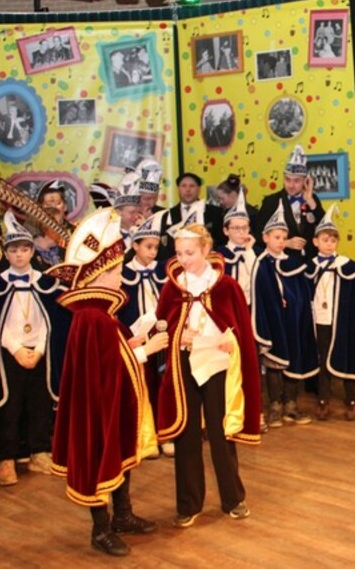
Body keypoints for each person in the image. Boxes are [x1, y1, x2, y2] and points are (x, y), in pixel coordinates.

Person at [48, 207, 167, 557]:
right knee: (98, 459)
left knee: (117, 454)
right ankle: (100, 529)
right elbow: (104, 366)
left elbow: (109, 353)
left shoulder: (101, 313)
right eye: (115, 272)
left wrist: (131, 342)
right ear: (97, 276)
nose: (121, 277)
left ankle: (123, 515)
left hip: (109, 402)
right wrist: (145, 350)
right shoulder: (92, 317)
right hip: (95, 408)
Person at [154, 222, 262, 528]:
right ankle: (189, 503)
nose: (183, 259)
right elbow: (161, 325)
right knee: (186, 434)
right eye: (179, 253)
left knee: (220, 432)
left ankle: (233, 498)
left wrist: (232, 340)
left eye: (189, 253)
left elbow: (240, 328)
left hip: (217, 365)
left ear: (205, 250)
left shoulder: (226, 286)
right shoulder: (173, 288)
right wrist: (178, 335)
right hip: (185, 365)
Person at [0, 211, 69, 486]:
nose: (19, 255)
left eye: (24, 249)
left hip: (39, 352)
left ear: (32, 251)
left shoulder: (47, 284)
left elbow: (50, 323)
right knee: (10, 405)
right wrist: (16, 349)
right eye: (14, 250)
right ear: (6, 253)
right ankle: (7, 458)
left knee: (40, 403)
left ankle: (40, 452)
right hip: (9, 353)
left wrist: (38, 349)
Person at [252, 201, 318, 427]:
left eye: (283, 237)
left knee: (293, 360)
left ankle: (291, 405)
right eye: (276, 237)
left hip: (293, 320)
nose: (280, 241)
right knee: (274, 362)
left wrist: (298, 309)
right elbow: (260, 292)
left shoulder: (294, 263)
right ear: (265, 238)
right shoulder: (261, 263)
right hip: (273, 321)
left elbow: (301, 292)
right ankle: (275, 406)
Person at [117, 211, 174, 459]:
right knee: (142, 386)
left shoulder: (163, 271)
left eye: (156, 247)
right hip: (137, 340)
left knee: (164, 385)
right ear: (135, 246)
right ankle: (144, 437)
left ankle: (165, 433)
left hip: (162, 337)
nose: (153, 252)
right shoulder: (123, 275)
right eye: (148, 247)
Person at [307, 206, 355, 421]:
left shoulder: (346, 266)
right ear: (316, 242)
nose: (329, 244)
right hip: (319, 320)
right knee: (322, 360)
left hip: (341, 321)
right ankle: (323, 400)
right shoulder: (309, 267)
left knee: (346, 356)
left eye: (333, 240)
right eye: (325, 240)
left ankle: (351, 400)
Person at [254, 144, 325, 260]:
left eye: (296, 181)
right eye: (287, 180)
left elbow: (325, 228)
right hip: (281, 262)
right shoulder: (271, 201)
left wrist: (310, 201)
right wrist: (284, 243)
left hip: (310, 262)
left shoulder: (312, 200)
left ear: (305, 181)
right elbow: (257, 236)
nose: (291, 185)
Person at [159, 172, 225, 258]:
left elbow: (221, 241)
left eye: (192, 186)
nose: (188, 190)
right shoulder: (167, 215)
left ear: (199, 189)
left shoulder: (215, 212)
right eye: (184, 186)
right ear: (178, 189)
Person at [216, 186, 261, 307]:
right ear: (226, 231)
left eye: (245, 228)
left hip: (252, 306)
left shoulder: (258, 253)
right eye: (236, 228)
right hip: (227, 307)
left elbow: (259, 278)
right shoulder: (218, 255)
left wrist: (249, 251)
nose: (241, 232)